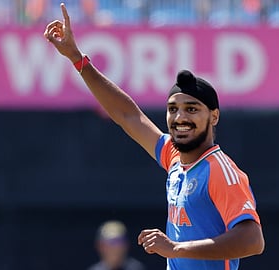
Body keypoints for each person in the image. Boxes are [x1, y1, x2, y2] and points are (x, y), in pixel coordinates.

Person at [44, 3, 265, 270]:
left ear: (214, 116)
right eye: (173, 109)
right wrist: (78, 60)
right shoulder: (175, 156)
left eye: (192, 109)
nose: (180, 117)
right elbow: (128, 116)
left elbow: (253, 240)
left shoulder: (220, 170)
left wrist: (174, 249)